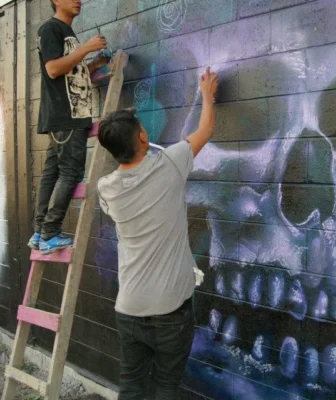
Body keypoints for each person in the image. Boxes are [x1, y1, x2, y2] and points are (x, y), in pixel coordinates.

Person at [97, 68, 218, 400]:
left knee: (132, 388)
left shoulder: (105, 188)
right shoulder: (171, 164)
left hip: (129, 308)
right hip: (169, 312)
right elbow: (206, 129)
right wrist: (207, 95)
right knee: (166, 387)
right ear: (142, 137)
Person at [28, 0, 109, 254]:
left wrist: (94, 64)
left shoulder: (65, 32)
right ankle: (50, 232)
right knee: (71, 173)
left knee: (52, 174)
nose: (78, 0)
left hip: (65, 117)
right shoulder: (50, 28)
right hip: (68, 116)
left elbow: (70, 72)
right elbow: (53, 69)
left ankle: (40, 232)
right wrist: (86, 48)